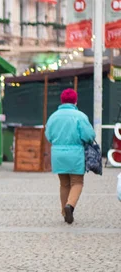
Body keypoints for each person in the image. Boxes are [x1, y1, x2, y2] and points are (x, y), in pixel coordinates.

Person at [45, 88, 95, 224]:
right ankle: (70, 206)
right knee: (77, 182)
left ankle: (64, 211)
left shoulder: (53, 116)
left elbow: (48, 135)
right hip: (76, 154)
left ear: (61, 100)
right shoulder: (80, 116)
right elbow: (89, 135)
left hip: (58, 155)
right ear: (75, 101)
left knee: (64, 184)